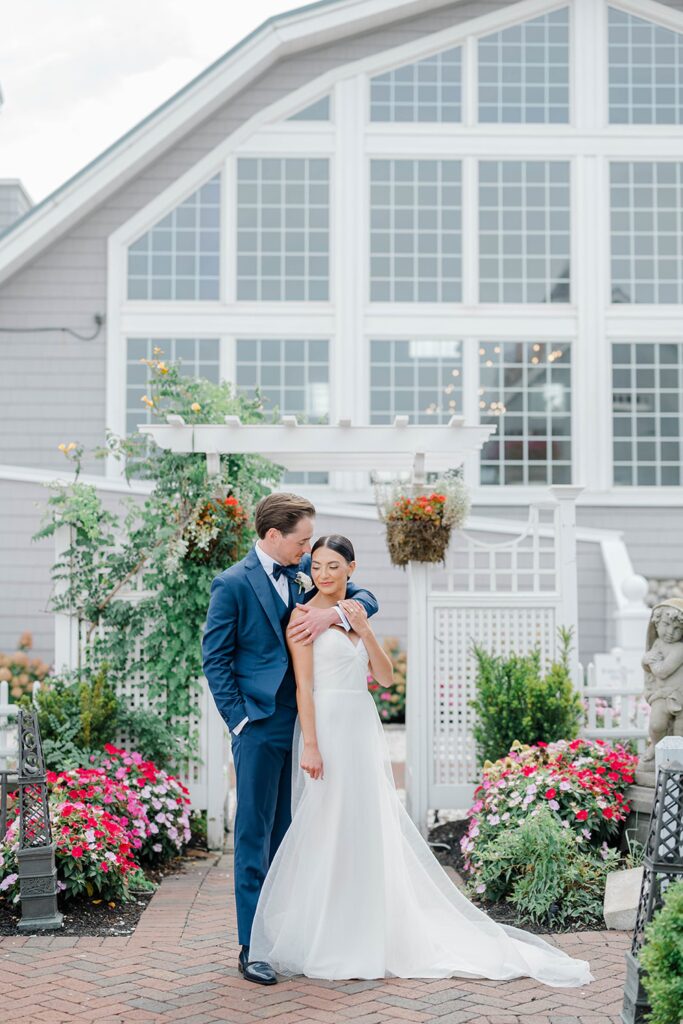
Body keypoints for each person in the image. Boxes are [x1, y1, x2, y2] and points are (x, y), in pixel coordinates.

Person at [249, 535, 594, 987]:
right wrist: (309, 743)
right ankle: (328, 931)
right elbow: (302, 687)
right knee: (326, 823)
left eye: (334, 566)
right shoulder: (302, 616)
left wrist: (365, 630)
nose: (324, 574)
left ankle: (368, 926)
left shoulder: (356, 611)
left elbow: (387, 678)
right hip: (326, 728)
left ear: (351, 568)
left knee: (366, 823)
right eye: (316, 566)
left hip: (360, 726)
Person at [201, 495, 379, 986]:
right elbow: (214, 659)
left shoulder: (303, 569)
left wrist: (333, 616)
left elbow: (365, 597)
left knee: (291, 834)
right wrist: (240, 721)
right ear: (274, 535)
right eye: (302, 540)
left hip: (307, 721)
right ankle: (251, 946)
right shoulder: (232, 584)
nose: (307, 551)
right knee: (255, 834)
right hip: (260, 725)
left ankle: (286, 934)